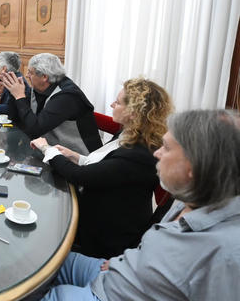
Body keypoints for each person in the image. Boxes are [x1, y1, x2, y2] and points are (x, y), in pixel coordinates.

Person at [40, 109, 240, 301]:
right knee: (42, 261)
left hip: (110, 294)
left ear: (195, 166)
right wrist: (133, 258)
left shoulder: (227, 253)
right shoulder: (193, 199)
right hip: (116, 270)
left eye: (167, 148)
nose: (157, 153)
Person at [31, 77, 174, 258]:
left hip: (106, 235)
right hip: (105, 209)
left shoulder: (139, 154)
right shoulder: (132, 133)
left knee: (42, 222)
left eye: (118, 102)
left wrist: (46, 148)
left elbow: (77, 175)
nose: (112, 104)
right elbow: (108, 168)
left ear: (133, 112)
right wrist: (75, 156)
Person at [0, 53, 101, 155]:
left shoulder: (67, 96)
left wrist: (19, 96)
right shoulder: (40, 89)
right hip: (50, 151)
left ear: (44, 77)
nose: (26, 75)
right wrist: (13, 93)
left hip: (79, 157)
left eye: (30, 72)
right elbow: (16, 118)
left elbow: (35, 130)